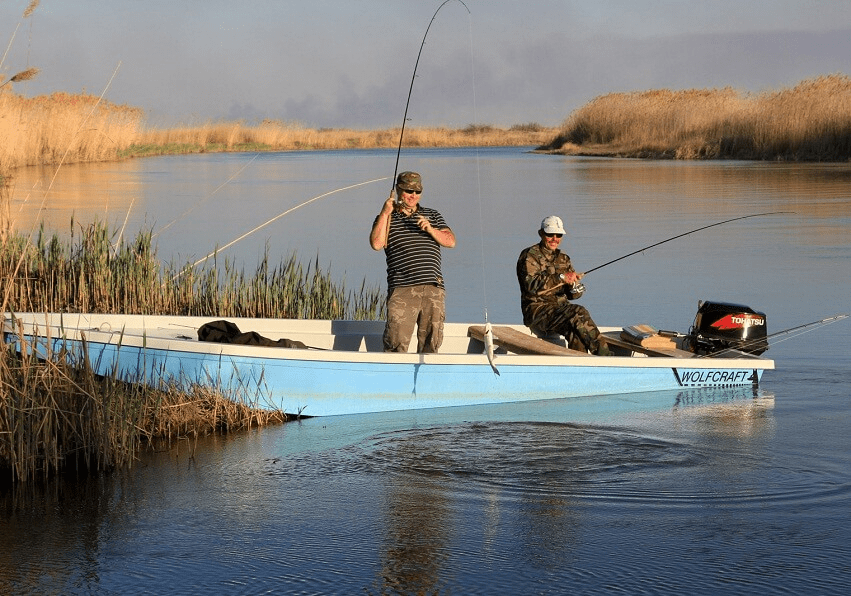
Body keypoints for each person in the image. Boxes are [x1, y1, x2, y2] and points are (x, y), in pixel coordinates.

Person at [369, 171, 456, 352]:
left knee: (431, 344)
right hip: (402, 289)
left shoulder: (432, 215)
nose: (413, 196)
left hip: (433, 288)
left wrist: (431, 229)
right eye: (409, 191)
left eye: (417, 192)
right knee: (396, 343)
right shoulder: (387, 218)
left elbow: (451, 241)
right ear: (399, 190)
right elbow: (377, 244)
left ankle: (427, 377)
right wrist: (385, 213)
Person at [516, 215, 612, 356]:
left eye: (558, 235)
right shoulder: (529, 256)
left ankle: (579, 367)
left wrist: (574, 287)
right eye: (550, 234)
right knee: (578, 312)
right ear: (541, 233)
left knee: (576, 331)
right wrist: (561, 277)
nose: (555, 239)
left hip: (561, 309)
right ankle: (606, 357)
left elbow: (572, 295)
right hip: (537, 311)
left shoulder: (564, 258)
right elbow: (530, 286)